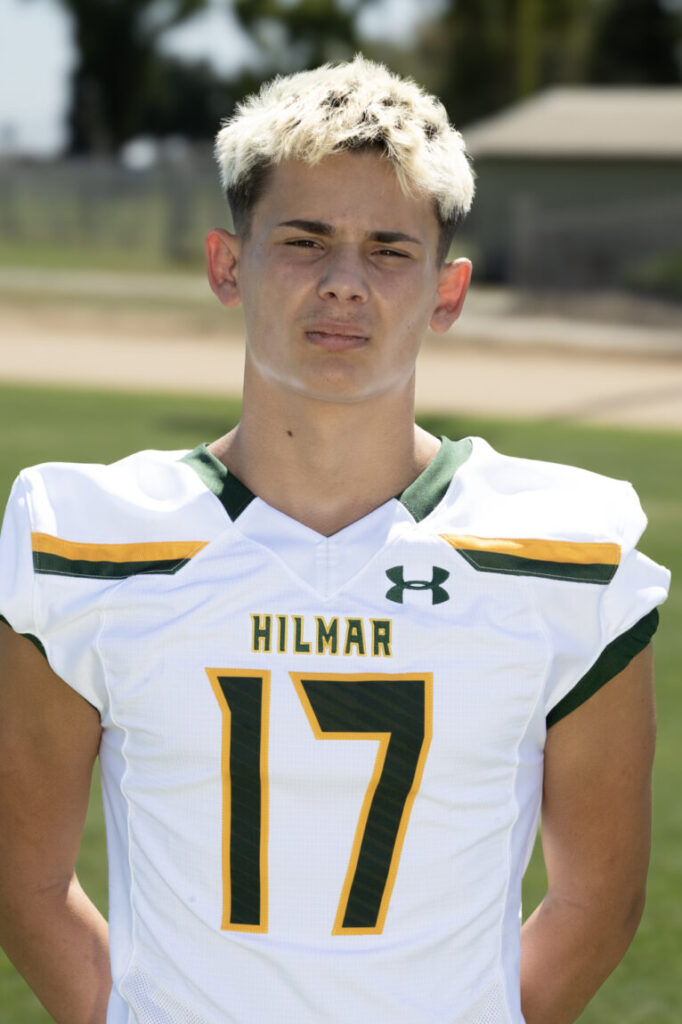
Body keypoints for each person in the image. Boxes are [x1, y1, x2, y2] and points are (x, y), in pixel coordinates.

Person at [0, 55, 670, 1024]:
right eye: (304, 241)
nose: (344, 283)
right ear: (228, 265)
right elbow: (25, 879)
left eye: (389, 250)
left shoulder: (566, 554)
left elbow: (597, 901)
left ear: (447, 291)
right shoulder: (88, 538)